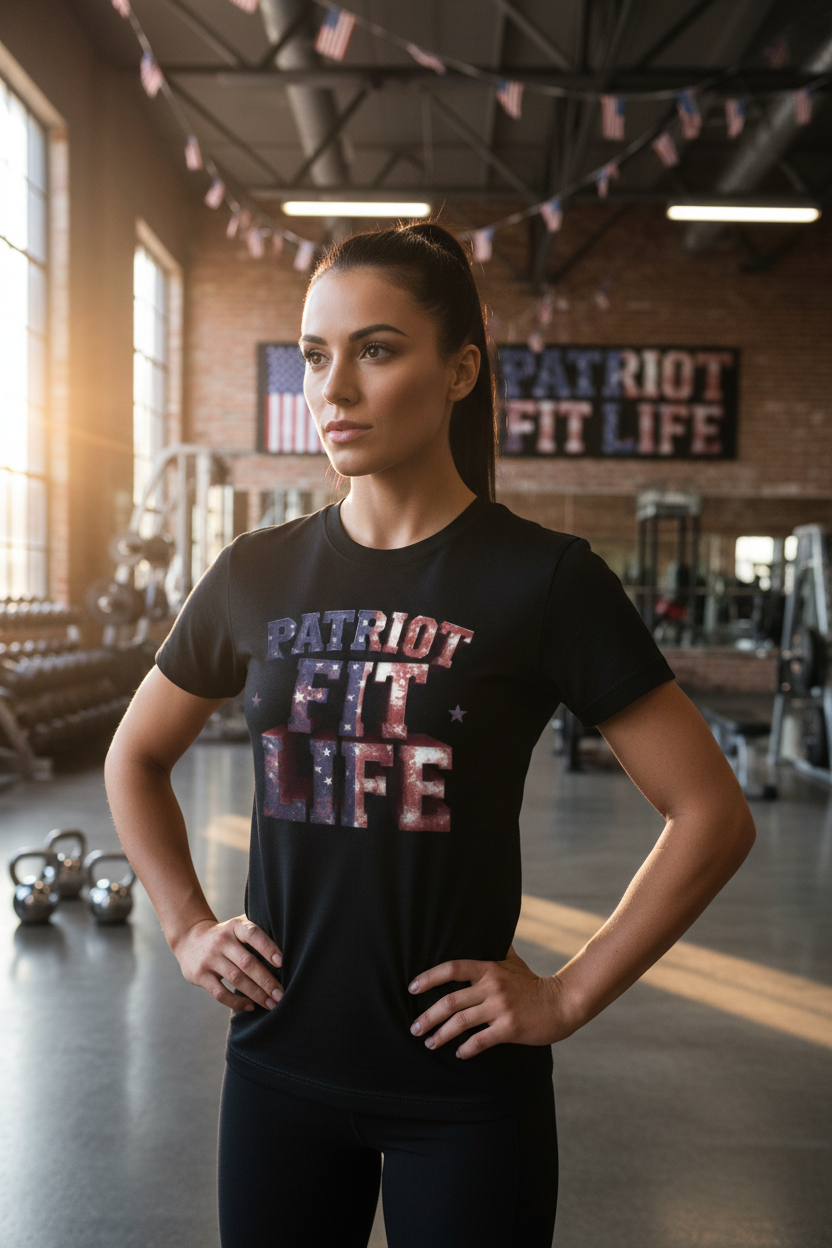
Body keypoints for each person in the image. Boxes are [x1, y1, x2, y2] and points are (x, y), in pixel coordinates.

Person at [105, 221, 756, 1248]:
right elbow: (135, 758)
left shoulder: (542, 581)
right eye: (315, 356)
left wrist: (570, 993)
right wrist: (187, 926)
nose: (335, 388)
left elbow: (710, 814)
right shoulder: (253, 573)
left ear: (459, 372)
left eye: (376, 348)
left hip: (462, 1097)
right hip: (277, 1075)